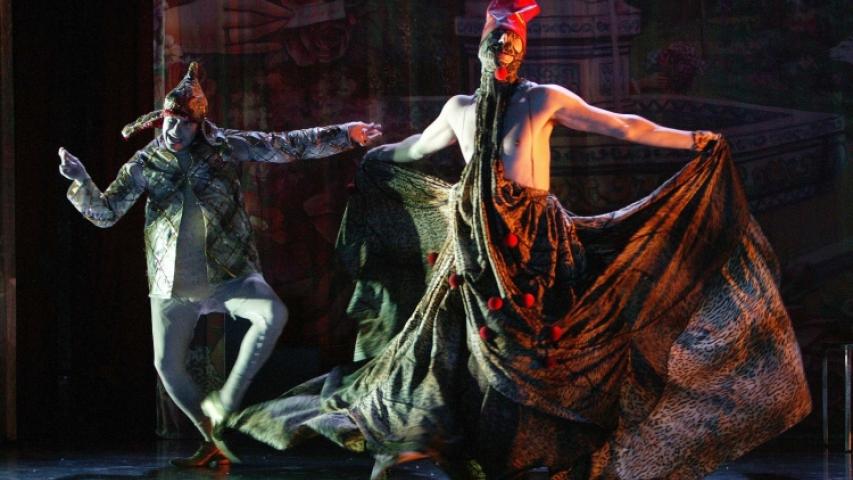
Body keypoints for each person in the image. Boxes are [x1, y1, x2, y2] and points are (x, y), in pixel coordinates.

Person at [218, 1, 811, 478]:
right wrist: (375, 155)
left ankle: (548, 447)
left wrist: (691, 140)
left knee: (547, 348)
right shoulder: (460, 108)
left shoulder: (543, 98)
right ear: (481, 46)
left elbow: (623, 125)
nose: (502, 48)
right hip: (475, 249)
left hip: (537, 250)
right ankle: (439, 440)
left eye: (511, 39)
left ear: (522, 48)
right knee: (457, 351)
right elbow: (417, 149)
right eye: (495, 39)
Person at [57, 62, 382, 468]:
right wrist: (81, 179)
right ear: (161, 119)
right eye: (170, 123)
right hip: (172, 281)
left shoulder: (224, 146)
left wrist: (347, 133)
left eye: (184, 125)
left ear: (199, 126)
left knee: (272, 314)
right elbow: (106, 214)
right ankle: (211, 434)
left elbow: (283, 144)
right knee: (166, 364)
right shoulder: (145, 162)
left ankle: (225, 401)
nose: (174, 132)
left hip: (228, 271)